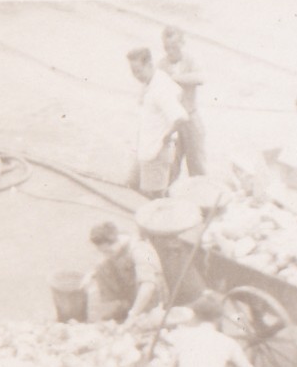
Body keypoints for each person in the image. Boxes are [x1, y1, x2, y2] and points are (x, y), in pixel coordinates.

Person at [126, 47, 188, 198]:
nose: (136, 76)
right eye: (133, 72)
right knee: (132, 184)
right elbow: (178, 93)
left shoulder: (160, 88)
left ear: (149, 65)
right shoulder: (153, 79)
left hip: (157, 151)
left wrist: (166, 136)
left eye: (138, 71)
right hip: (146, 147)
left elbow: (181, 117)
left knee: (153, 197)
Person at [83, 221, 166, 322]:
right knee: (101, 267)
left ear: (117, 240)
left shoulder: (140, 249)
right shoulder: (116, 248)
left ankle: (137, 313)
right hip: (131, 298)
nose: (107, 255)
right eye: (104, 252)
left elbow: (148, 285)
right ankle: (122, 308)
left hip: (153, 303)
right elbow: (103, 262)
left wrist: (133, 314)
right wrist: (91, 274)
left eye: (108, 251)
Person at [160, 26, 207, 180]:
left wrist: (175, 78)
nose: (170, 51)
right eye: (166, 47)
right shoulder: (162, 64)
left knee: (197, 162)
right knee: (170, 163)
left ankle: (201, 191)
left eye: (174, 47)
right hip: (171, 120)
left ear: (182, 43)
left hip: (189, 116)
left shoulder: (190, 60)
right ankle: (164, 190)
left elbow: (200, 78)